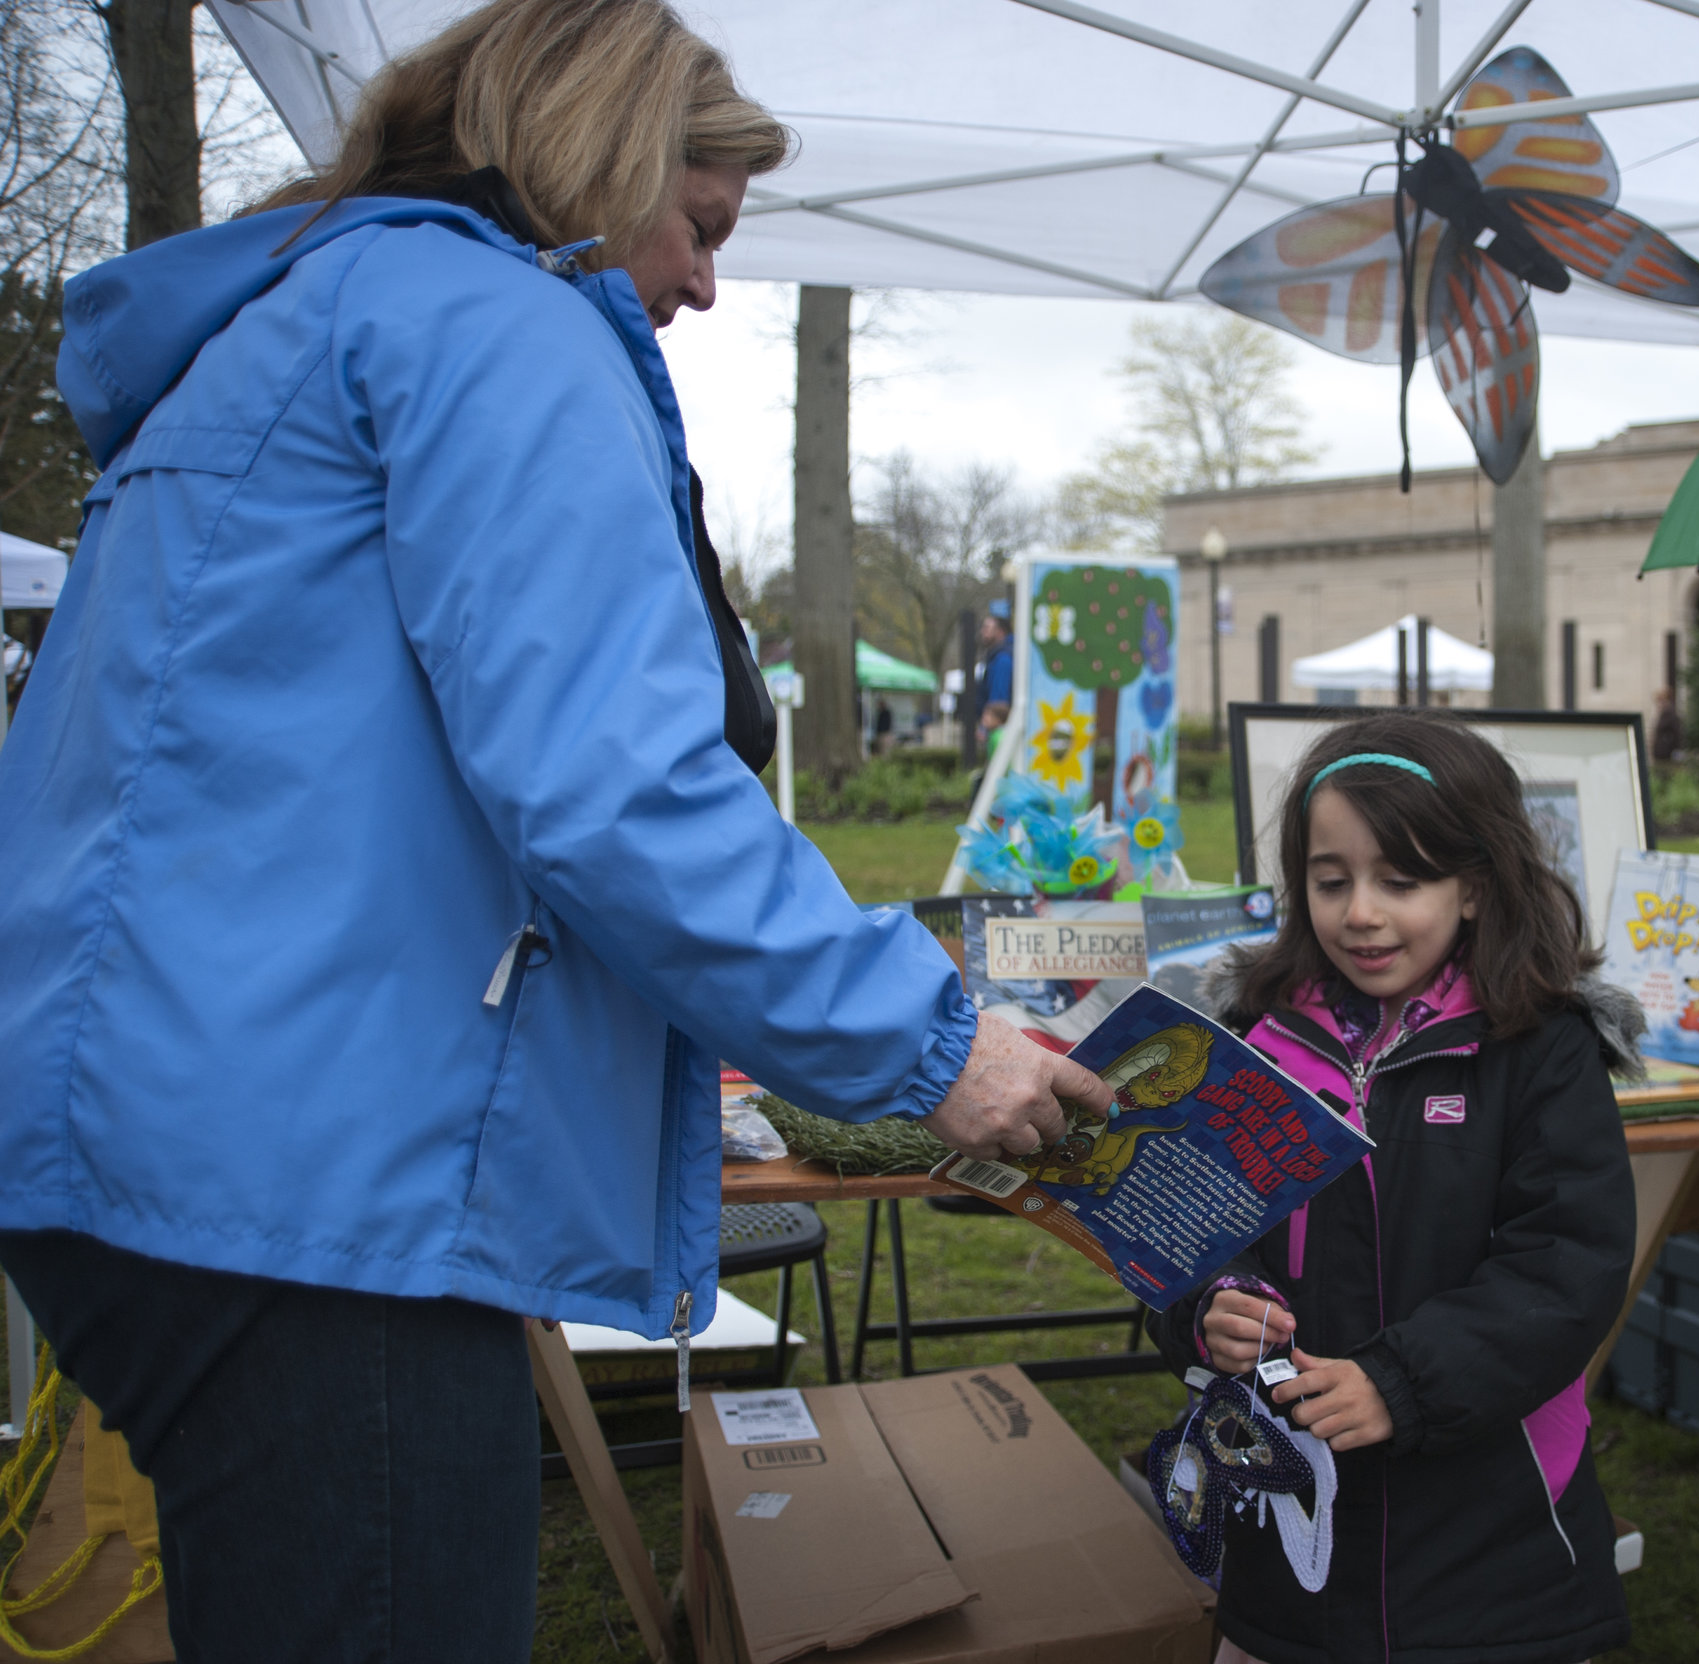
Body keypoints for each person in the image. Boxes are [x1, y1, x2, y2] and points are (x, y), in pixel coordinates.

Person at [0, 1, 1107, 1656]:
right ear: (599, 154)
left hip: (158, 1127)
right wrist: (933, 1041)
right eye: (701, 226)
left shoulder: (298, 323)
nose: (707, 285)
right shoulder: (494, 324)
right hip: (310, 1175)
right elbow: (613, 778)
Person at [1150, 711, 1642, 1664]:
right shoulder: (1250, 1040)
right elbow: (1188, 1237)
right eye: (1330, 881)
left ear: (1475, 887)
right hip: (1290, 1545)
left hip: (1494, 1546)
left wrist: (1402, 1385)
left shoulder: (1540, 1048)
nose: (1360, 912)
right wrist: (1208, 1307)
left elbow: (1565, 1268)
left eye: (1400, 881)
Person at [977, 599, 1015, 751]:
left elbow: (999, 698)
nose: (983, 632)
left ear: (1000, 631)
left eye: (987, 628)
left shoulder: (1002, 659)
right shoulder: (999, 656)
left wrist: (985, 726)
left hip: (998, 730)